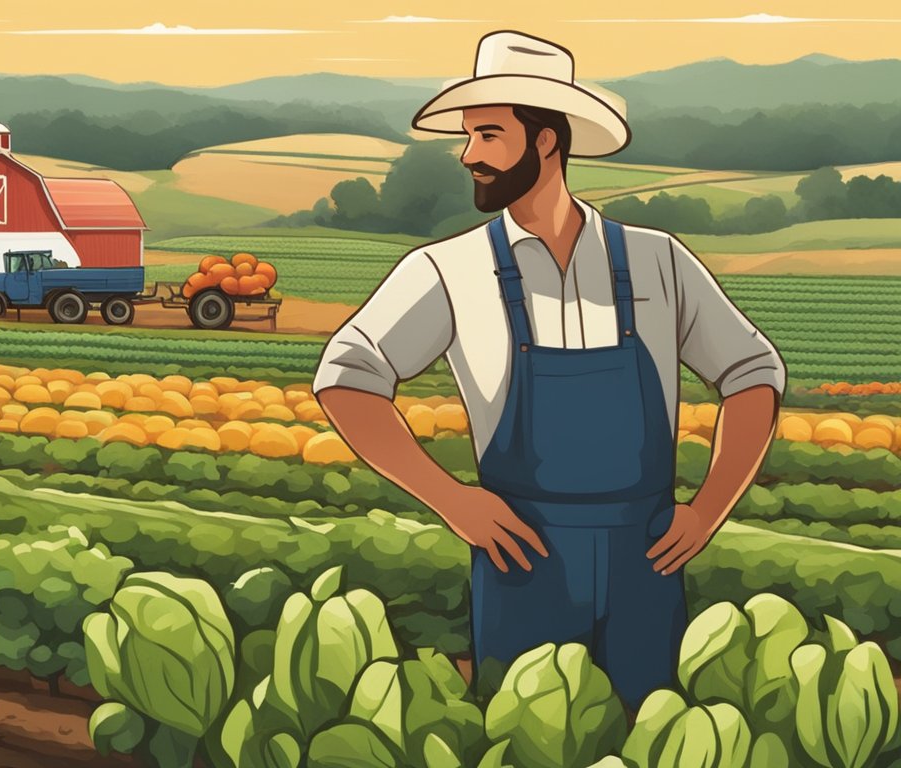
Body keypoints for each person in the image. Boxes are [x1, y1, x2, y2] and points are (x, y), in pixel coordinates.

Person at [311, 30, 785, 711]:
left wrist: (710, 509)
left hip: (647, 566)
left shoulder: (658, 261)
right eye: (468, 137)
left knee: (651, 734)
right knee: (520, 737)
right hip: (521, 562)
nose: (469, 155)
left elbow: (752, 372)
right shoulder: (449, 269)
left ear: (546, 142)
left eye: (488, 135)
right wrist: (452, 500)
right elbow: (346, 375)